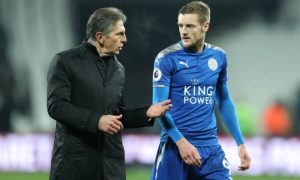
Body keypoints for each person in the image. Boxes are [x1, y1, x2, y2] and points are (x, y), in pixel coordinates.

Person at [47, 7, 172, 180]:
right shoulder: (65, 61)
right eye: (119, 34)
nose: (125, 39)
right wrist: (96, 120)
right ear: (100, 37)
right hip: (76, 166)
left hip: (111, 168)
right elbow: (56, 106)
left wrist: (146, 113)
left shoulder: (118, 69)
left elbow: (116, 116)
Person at [151, 1, 251, 179]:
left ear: (205, 26)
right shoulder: (166, 58)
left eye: (189, 26)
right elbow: (158, 108)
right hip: (175, 147)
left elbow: (225, 100)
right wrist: (181, 142)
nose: (183, 31)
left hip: (210, 149)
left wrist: (240, 142)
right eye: (180, 25)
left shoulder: (218, 56)